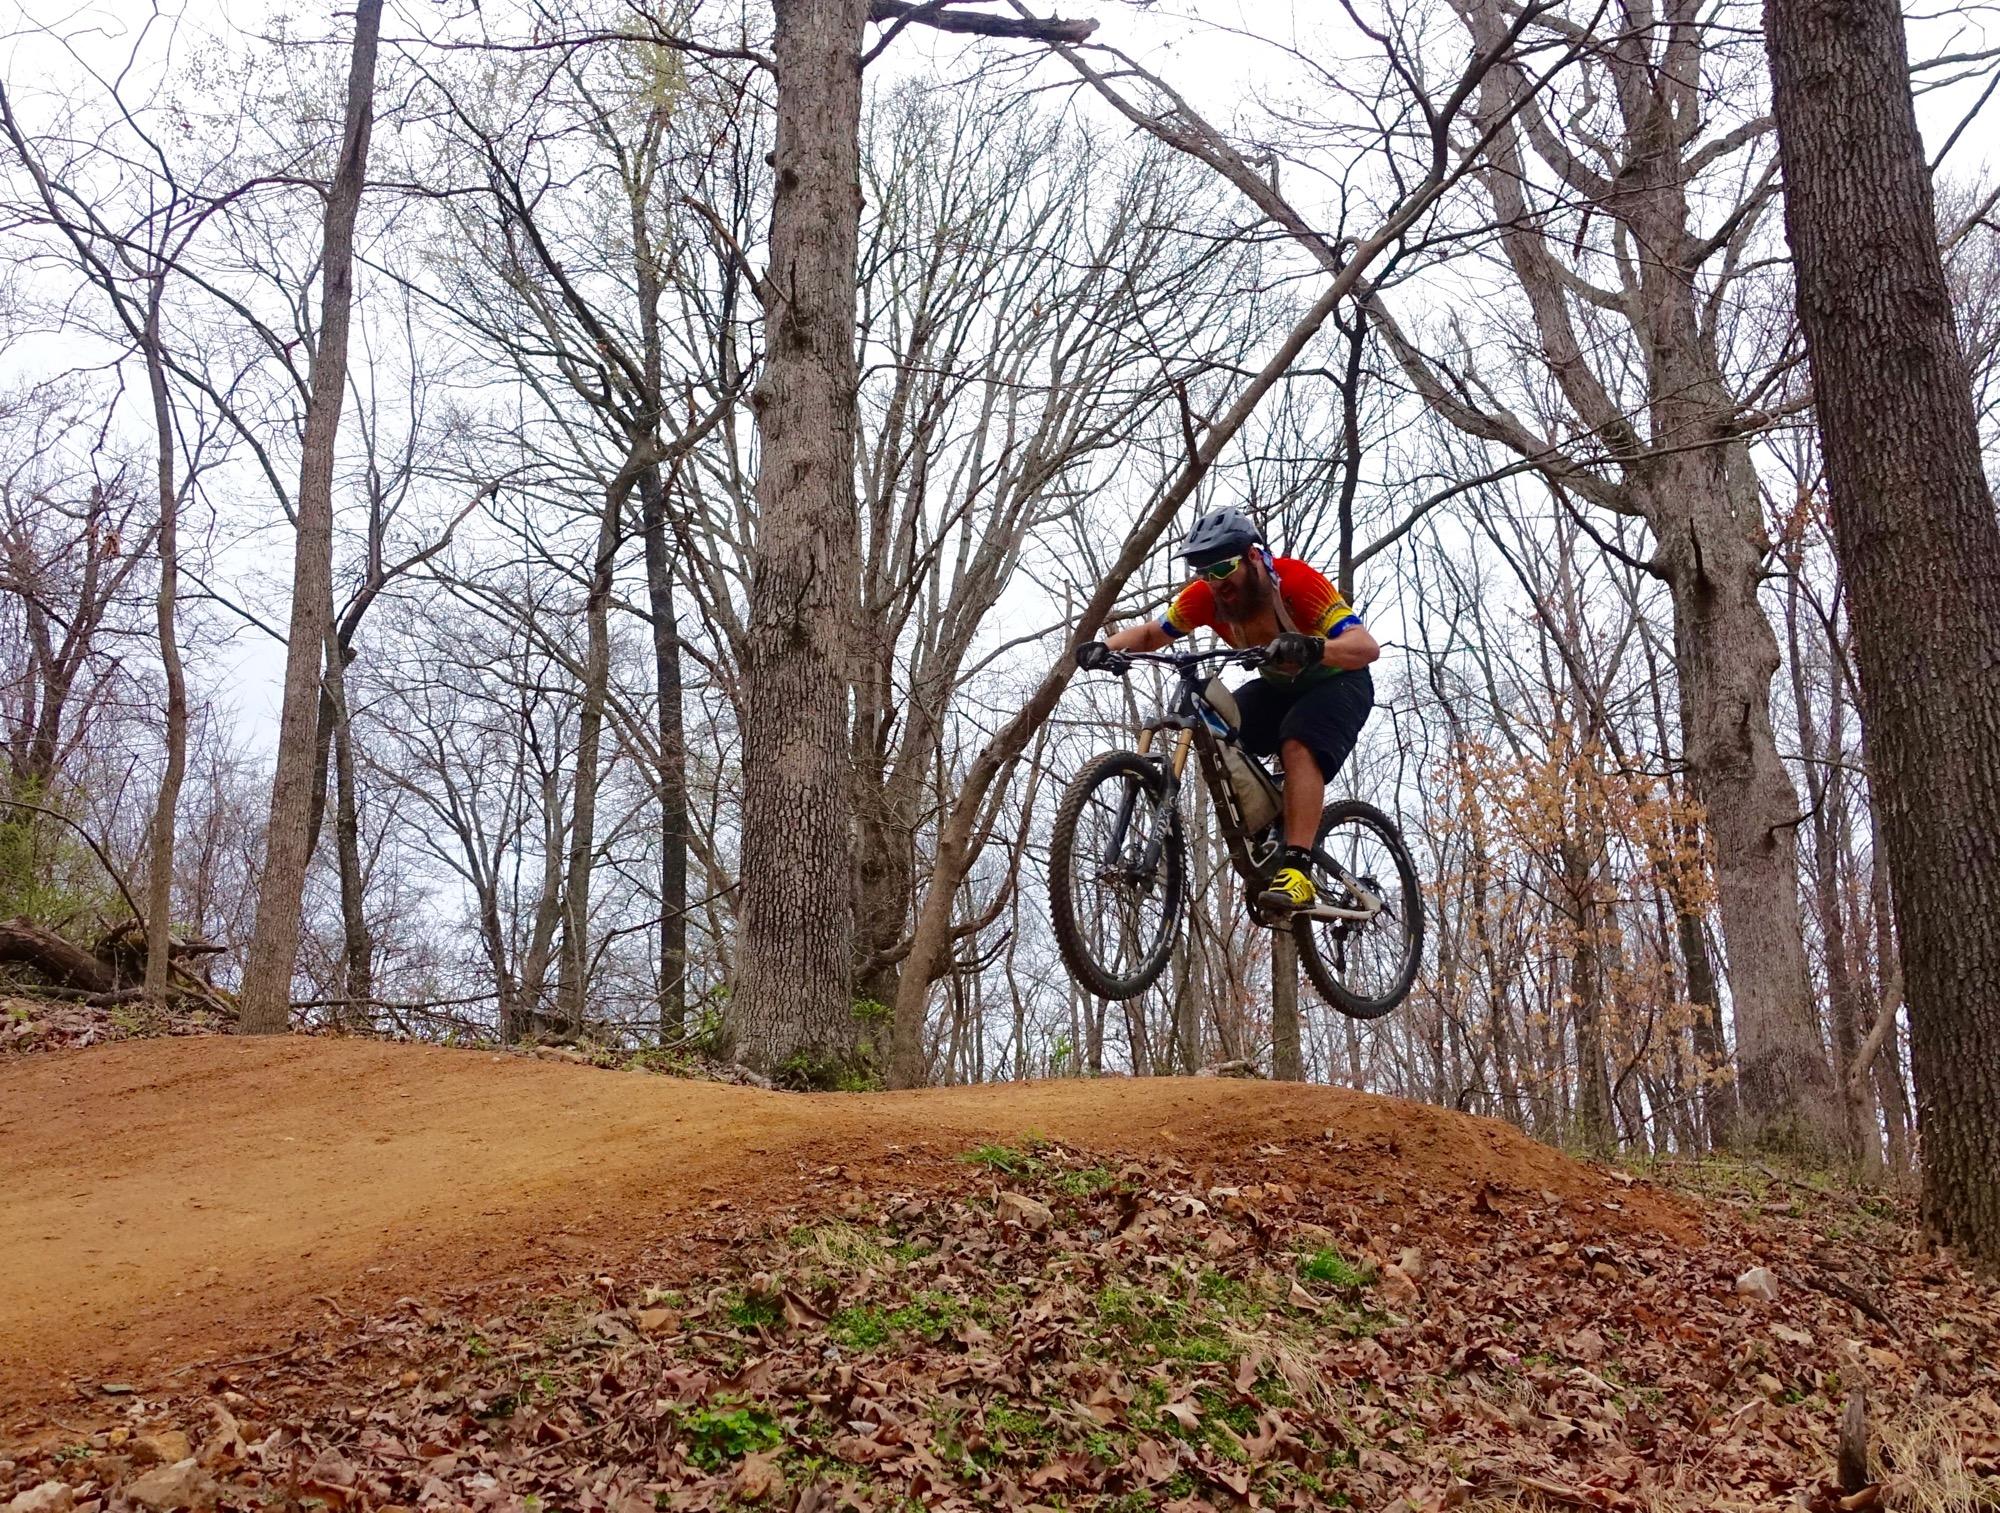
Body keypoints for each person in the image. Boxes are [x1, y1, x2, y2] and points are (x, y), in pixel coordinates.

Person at [1074, 507, 1379, 912]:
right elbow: (1151, 633)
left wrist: (1314, 646)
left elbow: (1366, 647)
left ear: (1253, 557)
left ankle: (1298, 870)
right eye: (1204, 573)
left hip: (1338, 681)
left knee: (1298, 742)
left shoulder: (1296, 582)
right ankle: (1274, 822)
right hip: (1277, 687)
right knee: (1222, 731)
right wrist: (1105, 647)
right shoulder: (1207, 598)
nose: (1215, 584)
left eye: (1222, 569)